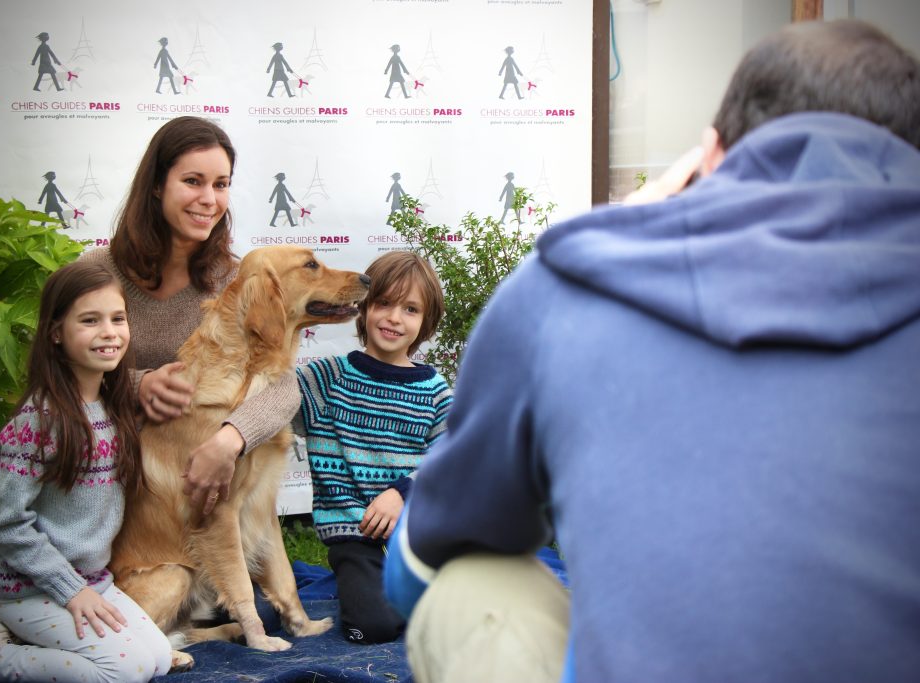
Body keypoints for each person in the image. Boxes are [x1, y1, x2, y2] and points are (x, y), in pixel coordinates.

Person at [385, 19, 920, 683]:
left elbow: (415, 567)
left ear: (708, 156)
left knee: (470, 585)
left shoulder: (567, 289)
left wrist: (624, 224)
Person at [0, 261, 172, 682]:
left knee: (160, 659)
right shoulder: (38, 422)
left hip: (91, 580)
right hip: (27, 588)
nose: (109, 332)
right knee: (122, 673)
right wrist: (70, 590)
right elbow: (5, 525)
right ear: (56, 332)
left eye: (117, 318)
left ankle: (15, 639)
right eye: (90, 321)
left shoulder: (113, 409)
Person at [80, 116, 300, 516]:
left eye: (221, 185)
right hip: (104, 475)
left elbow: (283, 388)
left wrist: (230, 439)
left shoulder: (235, 281)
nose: (209, 200)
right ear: (157, 185)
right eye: (193, 181)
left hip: (194, 485)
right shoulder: (98, 271)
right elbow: (57, 368)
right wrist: (137, 385)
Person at [295, 251, 453, 644]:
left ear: (425, 321)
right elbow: (270, 400)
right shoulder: (326, 378)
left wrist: (403, 493)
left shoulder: (434, 391)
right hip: (353, 533)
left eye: (410, 309)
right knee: (372, 628)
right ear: (362, 310)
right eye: (383, 303)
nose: (394, 318)